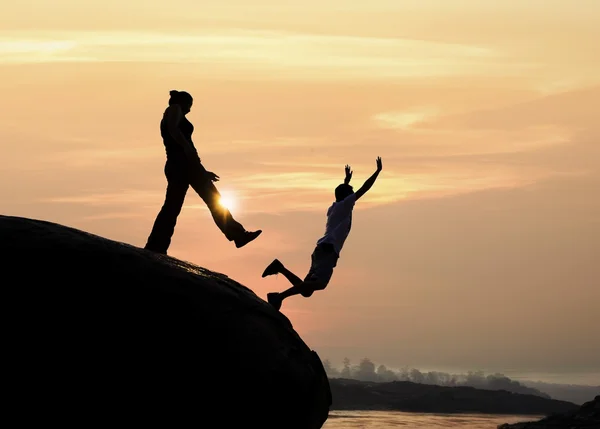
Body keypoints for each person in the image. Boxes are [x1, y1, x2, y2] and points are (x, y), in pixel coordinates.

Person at [145, 90, 262, 254]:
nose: (190, 110)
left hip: (181, 165)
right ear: (183, 102)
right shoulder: (174, 109)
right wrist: (187, 149)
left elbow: (182, 141)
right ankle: (238, 235)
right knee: (213, 200)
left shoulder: (175, 112)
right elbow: (174, 130)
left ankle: (156, 246)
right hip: (183, 164)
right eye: (189, 105)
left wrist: (202, 170)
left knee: (172, 207)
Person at [262, 157, 383, 310]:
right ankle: (278, 297)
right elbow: (364, 189)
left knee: (307, 290)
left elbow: (342, 194)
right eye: (351, 193)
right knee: (320, 284)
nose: (354, 195)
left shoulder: (334, 207)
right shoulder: (344, 205)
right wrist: (377, 172)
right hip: (327, 251)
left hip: (320, 250)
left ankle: (280, 268)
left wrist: (346, 182)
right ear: (347, 197)